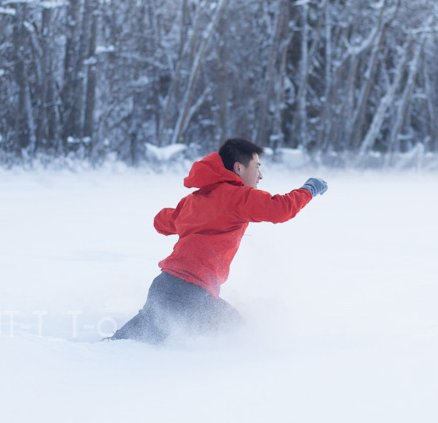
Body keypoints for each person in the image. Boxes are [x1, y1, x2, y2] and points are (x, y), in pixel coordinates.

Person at [108, 137, 327, 344]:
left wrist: (189, 218)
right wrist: (309, 189)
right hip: (191, 294)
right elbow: (280, 209)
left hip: (165, 286)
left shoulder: (193, 200)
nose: (260, 176)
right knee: (239, 338)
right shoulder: (239, 197)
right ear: (238, 168)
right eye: (257, 167)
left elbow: (162, 222)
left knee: (130, 343)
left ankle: (95, 358)